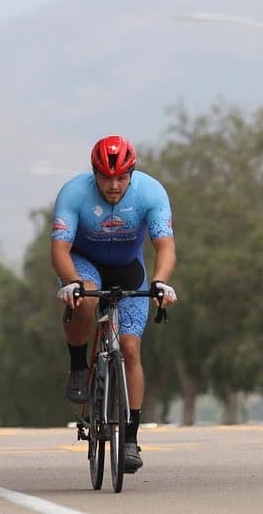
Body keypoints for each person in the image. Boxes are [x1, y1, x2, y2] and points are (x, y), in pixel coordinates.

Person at [50, 134, 177, 474]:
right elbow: (60, 251)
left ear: (132, 174)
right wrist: (73, 284)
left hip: (127, 265)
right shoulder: (74, 194)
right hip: (84, 262)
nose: (114, 185)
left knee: (131, 349)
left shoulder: (151, 193)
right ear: (94, 174)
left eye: (121, 177)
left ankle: (131, 438)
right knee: (87, 299)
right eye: (106, 177)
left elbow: (164, 246)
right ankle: (79, 365)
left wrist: (161, 281)